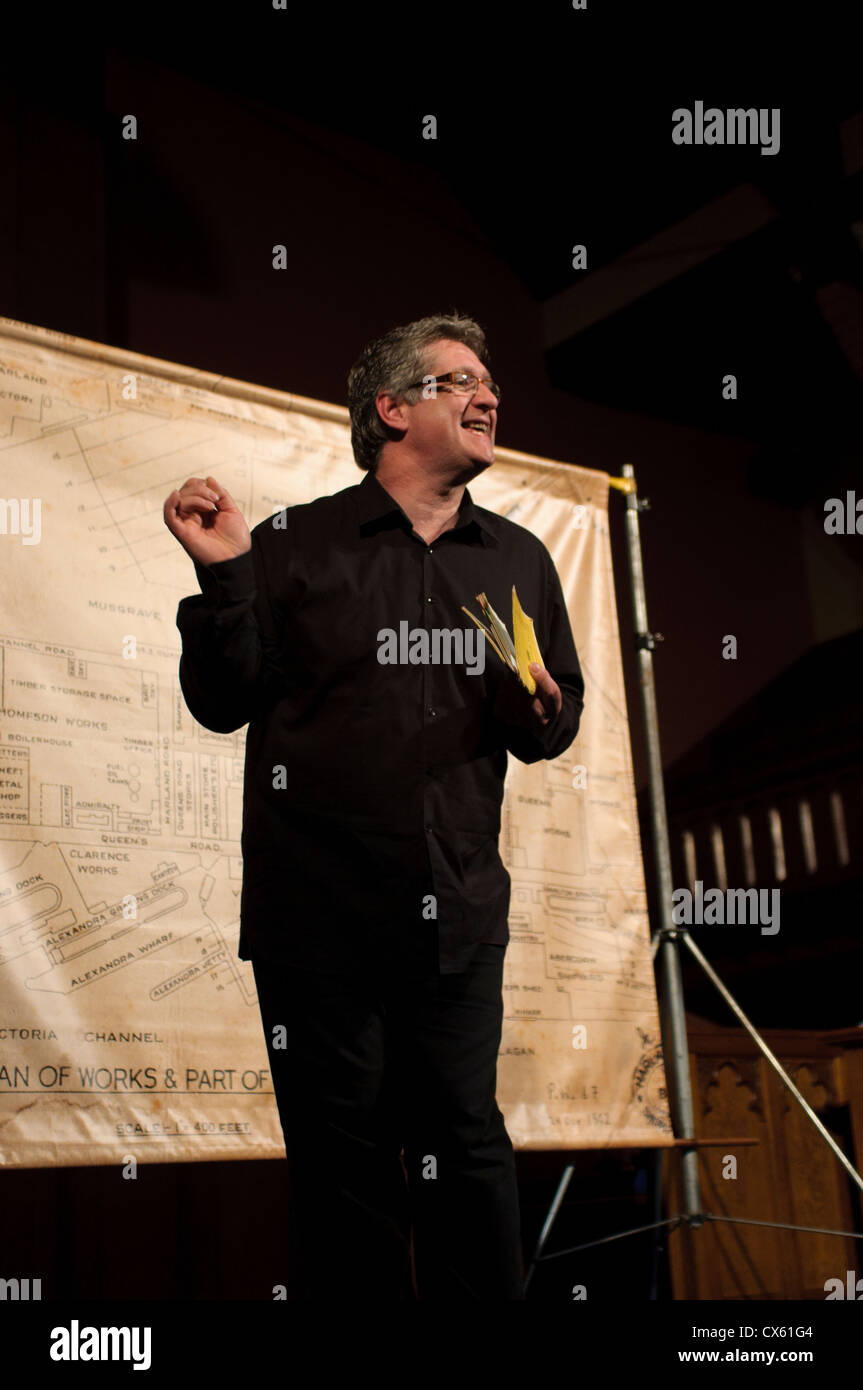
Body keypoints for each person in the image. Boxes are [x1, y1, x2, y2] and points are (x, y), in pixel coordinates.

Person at [163, 312, 584, 1299]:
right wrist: (225, 574)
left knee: (465, 1147)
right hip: (318, 920)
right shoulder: (292, 544)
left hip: (459, 912)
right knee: (343, 1166)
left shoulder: (517, 557)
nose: (488, 395)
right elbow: (221, 701)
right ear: (391, 410)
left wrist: (545, 707)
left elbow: (546, 725)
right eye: (458, 381)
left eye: (490, 381)